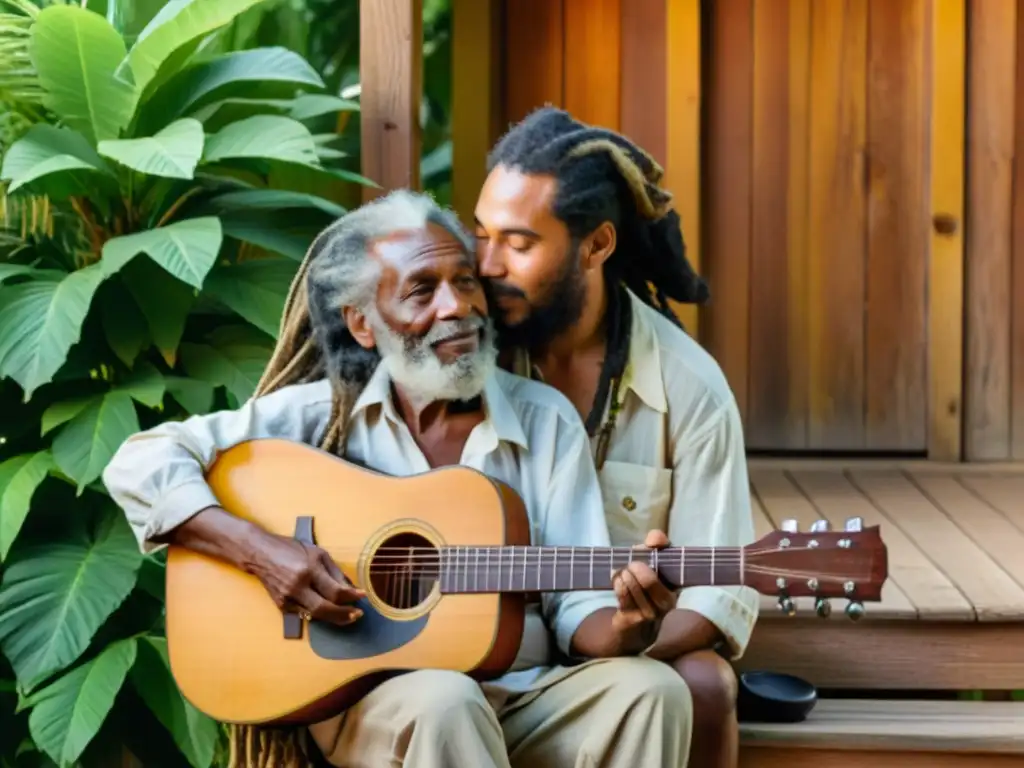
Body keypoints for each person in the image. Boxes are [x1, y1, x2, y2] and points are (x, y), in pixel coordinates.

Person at [103, 190, 695, 768]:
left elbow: (577, 613)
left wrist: (628, 623)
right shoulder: (319, 415)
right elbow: (140, 461)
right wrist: (263, 554)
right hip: (379, 704)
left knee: (652, 690)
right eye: (422, 290)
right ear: (363, 324)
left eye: (465, 281)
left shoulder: (545, 422)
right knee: (443, 700)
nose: (457, 305)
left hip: (524, 696)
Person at [473, 106, 760, 768]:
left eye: (517, 244)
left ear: (596, 246)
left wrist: (618, 642)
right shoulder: (460, 351)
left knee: (703, 685)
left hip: (615, 662)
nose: (486, 265)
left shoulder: (691, 388)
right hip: (466, 655)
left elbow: (720, 599)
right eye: (480, 234)